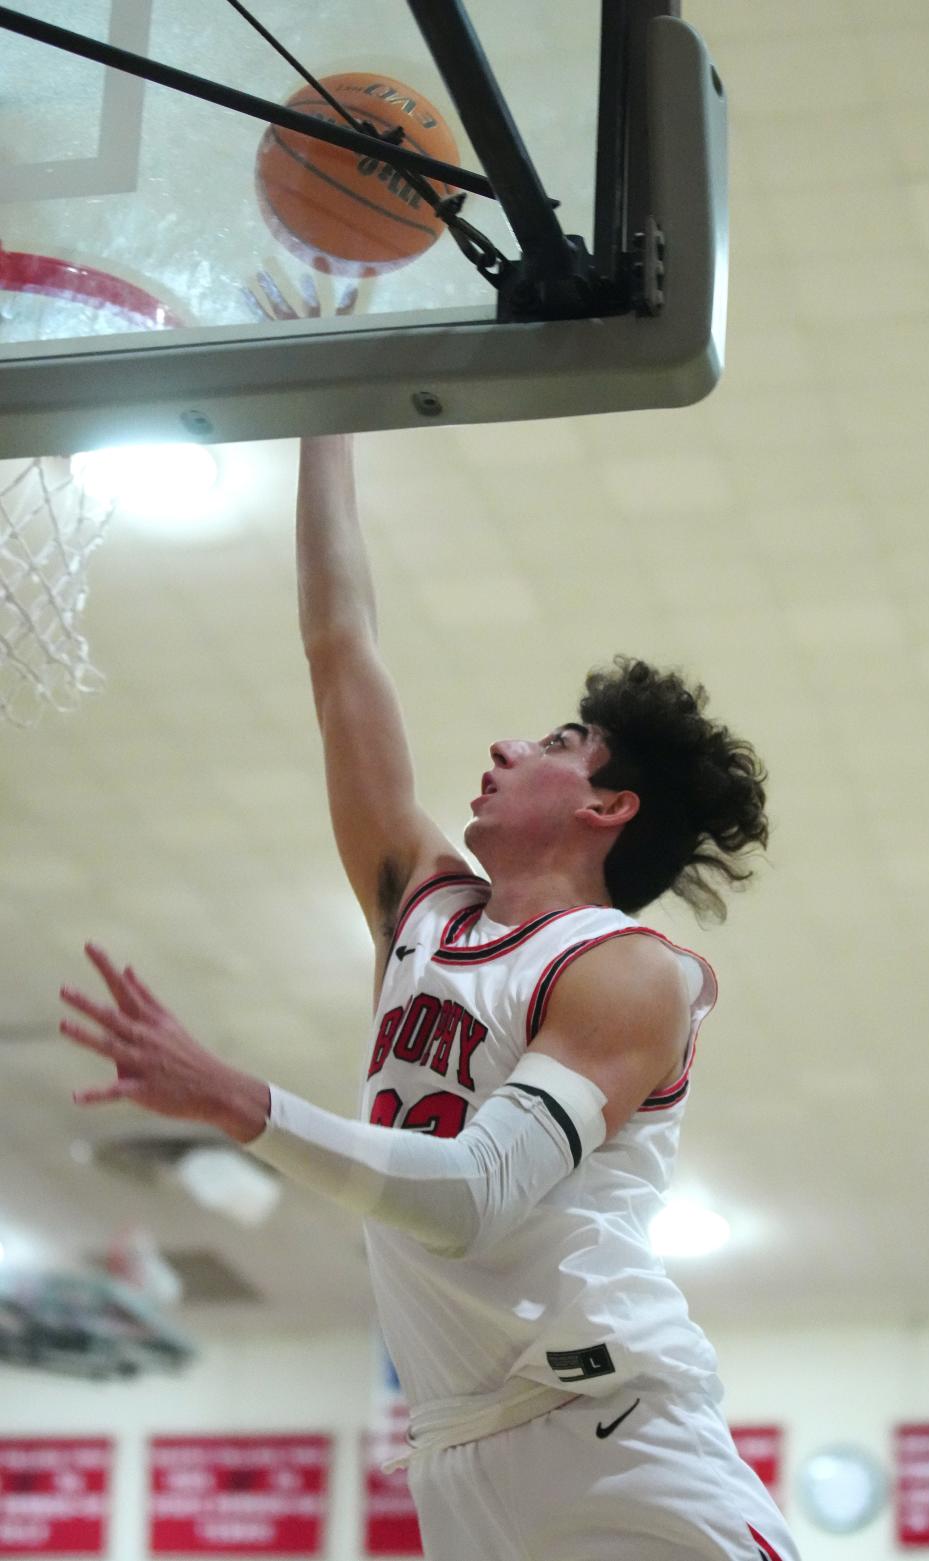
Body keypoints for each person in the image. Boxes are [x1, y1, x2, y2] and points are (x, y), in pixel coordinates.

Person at [60, 435, 800, 1561]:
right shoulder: (421, 904)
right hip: (455, 1458)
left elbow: (474, 1193)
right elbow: (338, 645)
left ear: (609, 807)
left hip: (616, 1439)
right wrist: (330, 409)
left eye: (556, 742)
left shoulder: (625, 969)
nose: (504, 744)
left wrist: (242, 1101)